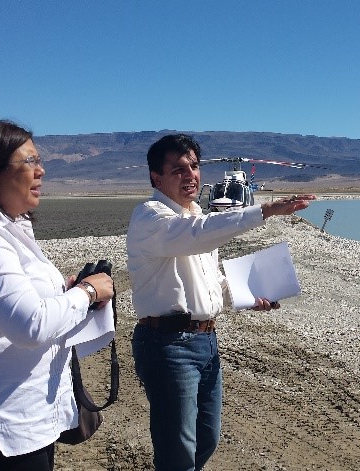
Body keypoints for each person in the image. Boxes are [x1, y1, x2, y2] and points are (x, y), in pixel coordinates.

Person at [0, 120, 115, 470]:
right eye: (29, 161)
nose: (41, 170)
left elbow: (20, 302)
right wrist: (88, 293)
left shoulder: (6, 229)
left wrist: (67, 290)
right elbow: (30, 325)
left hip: (20, 418)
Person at [127, 134, 315, 471]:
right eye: (178, 169)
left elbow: (211, 281)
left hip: (205, 341)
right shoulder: (150, 217)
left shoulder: (197, 217)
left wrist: (248, 297)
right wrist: (267, 210)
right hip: (167, 345)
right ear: (156, 178)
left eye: (194, 167)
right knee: (178, 449)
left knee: (207, 438)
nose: (190, 175)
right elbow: (196, 235)